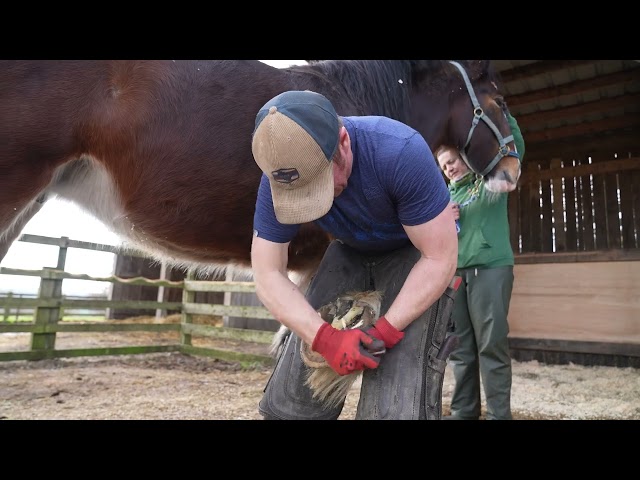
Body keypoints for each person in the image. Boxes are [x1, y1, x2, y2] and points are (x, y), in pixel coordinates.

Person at [250, 90, 460, 420]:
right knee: (292, 400)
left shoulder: (400, 152)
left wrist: (385, 331)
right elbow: (267, 273)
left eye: (318, 184)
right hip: (348, 251)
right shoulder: (279, 176)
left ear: (343, 143)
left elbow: (440, 257)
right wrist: (323, 338)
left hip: (413, 254)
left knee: (396, 403)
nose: (311, 200)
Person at [435, 114, 525, 420]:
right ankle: (464, 413)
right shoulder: (442, 200)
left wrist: (504, 116)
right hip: (456, 276)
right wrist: (443, 221)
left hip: (491, 269)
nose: (450, 167)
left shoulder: (489, 182)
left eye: (453, 160)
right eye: (444, 165)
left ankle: (499, 415)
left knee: (491, 346)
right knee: (461, 350)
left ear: (464, 157)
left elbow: (516, 149)